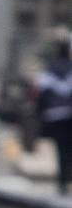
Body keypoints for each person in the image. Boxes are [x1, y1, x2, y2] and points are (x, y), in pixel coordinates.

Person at [34, 39, 72, 196]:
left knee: (61, 150)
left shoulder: (49, 70)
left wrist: (41, 114)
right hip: (69, 115)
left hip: (54, 116)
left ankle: (63, 181)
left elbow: (40, 95)